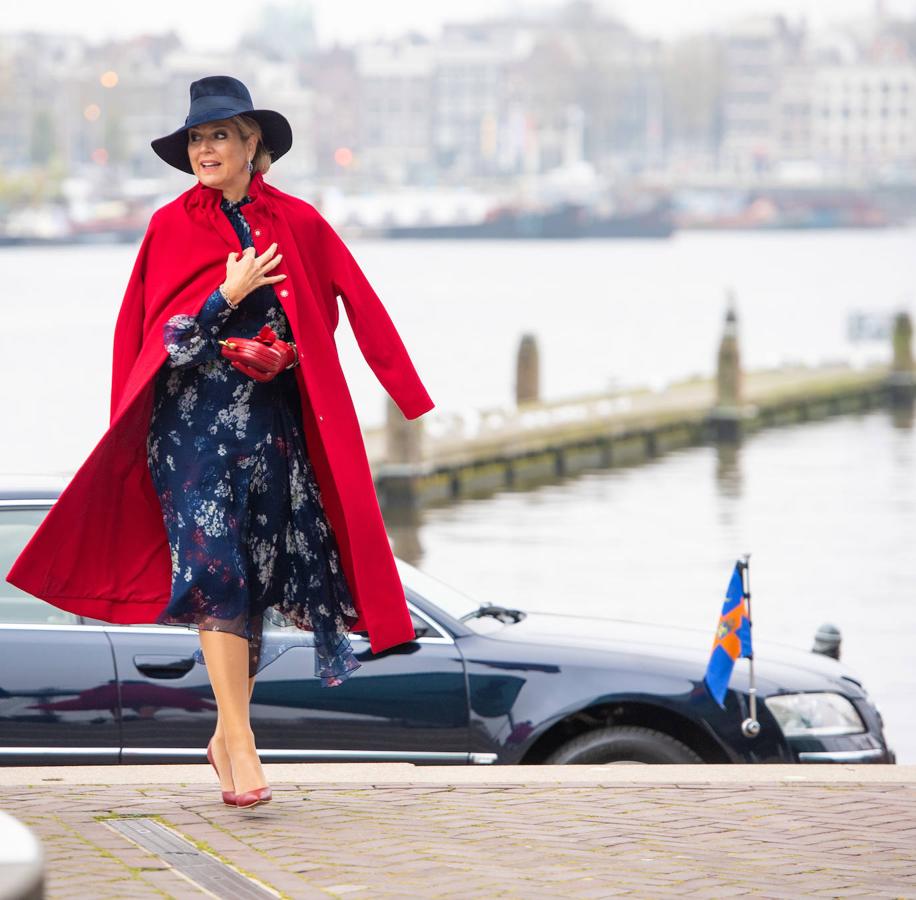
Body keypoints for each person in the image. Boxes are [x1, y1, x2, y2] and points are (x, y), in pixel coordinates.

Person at [5, 75, 435, 810]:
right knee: (217, 575)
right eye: (197, 139)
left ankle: (225, 731)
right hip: (190, 433)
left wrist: (317, 363)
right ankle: (239, 739)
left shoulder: (300, 222)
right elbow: (163, 343)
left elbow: (358, 306)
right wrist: (224, 297)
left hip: (271, 430)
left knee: (257, 582)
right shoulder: (170, 227)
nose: (206, 149)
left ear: (252, 145)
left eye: (220, 136)